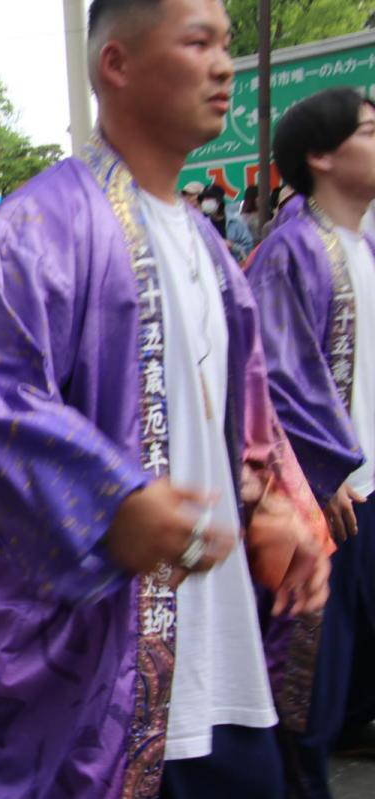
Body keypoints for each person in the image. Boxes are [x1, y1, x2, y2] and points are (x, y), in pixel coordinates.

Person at [0, 1, 333, 796]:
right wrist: (111, 503)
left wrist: (275, 506)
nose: (224, 66)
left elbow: (241, 420)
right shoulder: (40, 229)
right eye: (198, 42)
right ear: (118, 64)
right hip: (94, 675)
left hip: (223, 668)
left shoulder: (209, 247)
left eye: (227, 44)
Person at [247, 86, 375, 799]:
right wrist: (317, 480)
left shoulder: (364, 243)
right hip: (331, 499)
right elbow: (275, 379)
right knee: (309, 672)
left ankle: (349, 726)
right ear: (321, 156)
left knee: (353, 654)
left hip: (367, 486)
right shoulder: (291, 250)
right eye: (370, 130)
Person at [200, 183, 255, 261]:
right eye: (204, 199)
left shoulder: (236, 222)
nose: (206, 202)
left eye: (209, 198)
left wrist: (232, 246)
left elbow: (249, 248)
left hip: (232, 265)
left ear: (219, 201)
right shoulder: (202, 223)